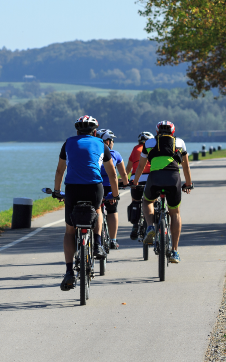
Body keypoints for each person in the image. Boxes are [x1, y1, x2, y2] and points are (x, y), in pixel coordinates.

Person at [54, 115, 120, 291]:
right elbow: (112, 174)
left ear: (77, 131)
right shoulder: (101, 145)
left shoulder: (68, 143)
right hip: (94, 188)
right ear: (95, 132)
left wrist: (56, 190)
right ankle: (98, 244)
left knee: (69, 230)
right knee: (97, 209)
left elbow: (60, 169)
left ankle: (69, 271)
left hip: (73, 189)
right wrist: (115, 193)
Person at [132, 121, 193, 264]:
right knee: (175, 213)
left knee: (147, 201)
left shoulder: (149, 143)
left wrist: (135, 182)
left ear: (157, 132)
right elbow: (186, 167)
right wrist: (189, 184)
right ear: (173, 132)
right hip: (173, 179)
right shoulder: (180, 143)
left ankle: (150, 227)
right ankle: (175, 251)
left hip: (155, 178)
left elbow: (141, 166)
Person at [97, 129, 128, 249]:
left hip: (95, 186)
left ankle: (96, 239)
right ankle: (113, 240)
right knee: (112, 210)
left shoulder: (93, 153)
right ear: (108, 141)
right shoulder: (115, 154)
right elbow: (123, 174)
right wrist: (125, 183)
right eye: (112, 140)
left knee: (96, 209)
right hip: (110, 187)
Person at [125, 131, 154, 239]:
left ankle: (135, 226)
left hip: (136, 178)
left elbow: (128, 168)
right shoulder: (152, 148)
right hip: (150, 178)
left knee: (135, 201)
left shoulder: (135, 149)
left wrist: (124, 180)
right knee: (151, 201)